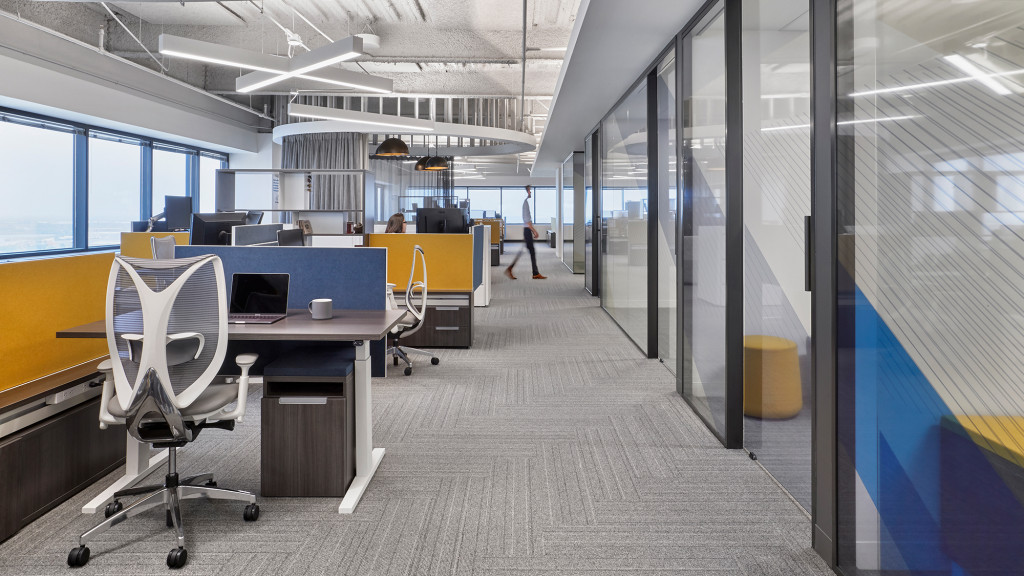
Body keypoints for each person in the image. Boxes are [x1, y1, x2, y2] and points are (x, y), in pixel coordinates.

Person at [505, 185, 546, 280]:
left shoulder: (525, 203)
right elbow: (528, 222)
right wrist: (535, 231)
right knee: (531, 251)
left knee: (526, 250)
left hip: (527, 231)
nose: (531, 193)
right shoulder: (525, 204)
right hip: (527, 230)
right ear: (527, 192)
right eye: (530, 191)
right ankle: (534, 273)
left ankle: (512, 269)